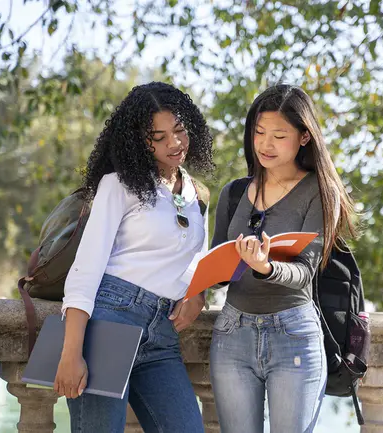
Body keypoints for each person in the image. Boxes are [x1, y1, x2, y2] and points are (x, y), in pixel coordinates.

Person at [53, 81, 214, 433]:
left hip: (163, 333)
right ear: (141, 140)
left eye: (179, 130)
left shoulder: (196, 195)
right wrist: (71, 352)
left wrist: (198, 294)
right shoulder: (119, 184)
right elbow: (86, 269)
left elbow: (196, 264)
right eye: (159, 136)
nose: (174, 143)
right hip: (110, 320)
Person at [209, 84, 357, 433]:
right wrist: (203, 279)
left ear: (304, 137)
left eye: (279, 135)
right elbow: (216, 264)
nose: (265, 144)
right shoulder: (233, 193)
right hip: (232, 333)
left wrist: (265, 267)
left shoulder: (320, 192)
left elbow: (306, 271)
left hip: (294, 335)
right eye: (259, 133)